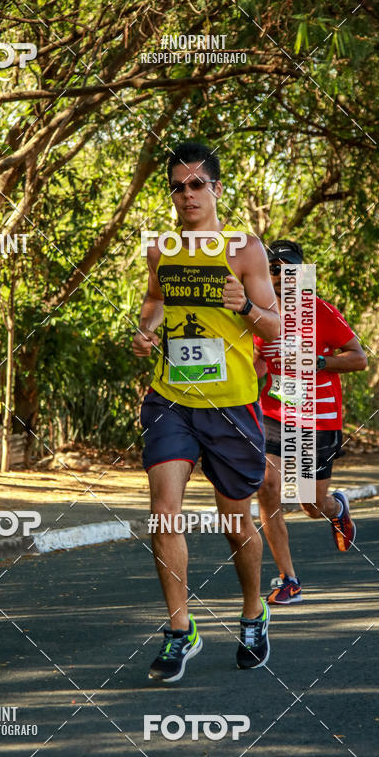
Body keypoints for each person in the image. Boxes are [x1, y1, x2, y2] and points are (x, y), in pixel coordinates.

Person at [132, 141, 280, 683]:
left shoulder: (244, 249)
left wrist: (242, 303)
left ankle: (252, 612)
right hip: (170, 397)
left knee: (236, 522)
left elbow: (276, 326)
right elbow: (154, 301)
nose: (187, 194)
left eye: (197, 185)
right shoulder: (162, 248)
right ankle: (179, 631)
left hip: (232, 403)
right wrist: (145, 333)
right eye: (178, 185)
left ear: (216, 190)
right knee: (163, 509)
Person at [253, 239, 367, 605]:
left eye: (290, 268)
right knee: (267, 486)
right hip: (273, 412)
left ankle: (335, 507)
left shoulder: (319, 311)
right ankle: (289, 579)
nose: (282, 274)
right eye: (274, 268)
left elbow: (358, 358)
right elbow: (259, 362)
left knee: (310, 505)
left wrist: (319, 363)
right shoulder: (259, 315)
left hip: (317, 417)